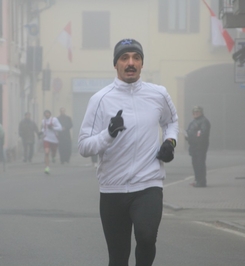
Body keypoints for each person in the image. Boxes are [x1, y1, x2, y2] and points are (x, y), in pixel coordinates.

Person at [78, 38, 179, 266]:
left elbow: (171, 121)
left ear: (142, 64)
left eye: (136, 57)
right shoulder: (100, 100)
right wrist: (108, 134)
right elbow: (83, 146)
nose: (130, 62)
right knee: (118, 257)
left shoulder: (158, 94)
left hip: (148, 183)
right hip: (112, 188)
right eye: (124, 58)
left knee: (146, 236)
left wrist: (170, 142)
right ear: (116, 64)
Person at [185, 106, 211, 187]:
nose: (195, 114)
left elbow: (203, 134)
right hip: (193, 146)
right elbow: (190, 132)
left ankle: (202, 182)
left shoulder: (204, 121)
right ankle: (197, 180)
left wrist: (194, 136)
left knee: (200, 164)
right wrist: (187, 136)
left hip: (200, 146)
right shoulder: (193, 122)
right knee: (195, 164)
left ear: (201, 112)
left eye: (197, 112)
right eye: (194, 112)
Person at [41, 110, 62, 174]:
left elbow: (60, 128)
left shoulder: (54, 120)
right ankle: (47, 167)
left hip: (54, 139)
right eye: (45, 114)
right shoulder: (43, 121)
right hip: (46, 139)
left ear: (50, 114)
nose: (47, 115)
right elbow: (43, 129)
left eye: (48, 114)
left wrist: (52, 128)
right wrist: (41, 132)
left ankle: (53, 157)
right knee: (46, 152)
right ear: (44, 115)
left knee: (53, 151)